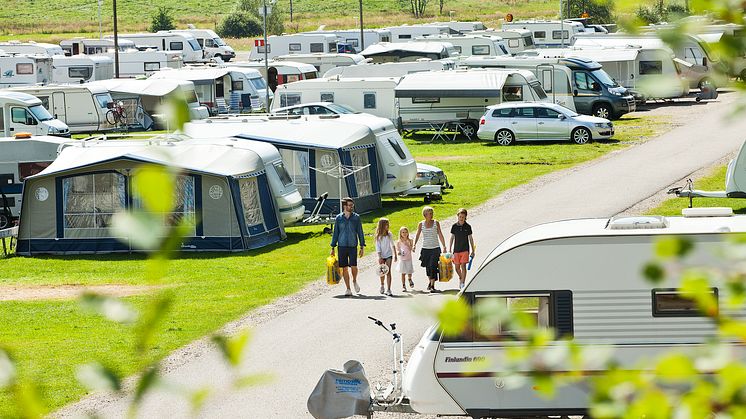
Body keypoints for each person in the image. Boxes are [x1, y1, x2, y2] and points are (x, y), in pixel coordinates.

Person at [330, 197, 366, 297]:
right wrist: (332, 247)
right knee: (344, 268)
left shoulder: (356, 218)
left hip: (352, 246)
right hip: (341, 246)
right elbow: (335, 233)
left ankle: (354, 280)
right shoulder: (339, 218)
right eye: (350, 205)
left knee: (353, 266)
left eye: (352, 205)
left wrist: (362, 246)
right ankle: (348, 289)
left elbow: (360, 232)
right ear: (345, 206)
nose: (351, 207)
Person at [413, 206, 446, 293]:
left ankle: (432, 285)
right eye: (429, 213)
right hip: (425, 249)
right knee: (428, 268)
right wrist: (414, 244)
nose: (431, 215)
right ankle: (430, 282)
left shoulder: (436, 223)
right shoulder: (421, 224)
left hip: (435, 248)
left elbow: (440, 234)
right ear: (424, 215)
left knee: (433, 266)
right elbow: (417, 234)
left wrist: (444, 246)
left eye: (432, 213)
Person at [449, 208, 475, 290]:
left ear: (465, 217)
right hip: (456, 250)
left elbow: (470, 238)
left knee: (463, 266)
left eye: (463, 217)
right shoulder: (454, 226)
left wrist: (473, 250)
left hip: (465, 250)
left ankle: (462, 283)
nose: (461, 218)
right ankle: (461, 277)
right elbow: (452, 238)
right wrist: (449, 249)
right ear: (457, 216)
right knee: (457, 267)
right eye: (460, 217)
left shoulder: (468, 226)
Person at [375, 218, 397, 296]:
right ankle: (382, 285)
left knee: (388, 271)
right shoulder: (378, 236)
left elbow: (393, 244)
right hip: (381, 255)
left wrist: (395, 254)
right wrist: (379, 257)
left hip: (389, 255)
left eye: (388, 224)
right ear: (382, 225)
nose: (388, 226)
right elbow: (378, 247)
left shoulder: (389, 234)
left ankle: (389, 289)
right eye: (386, 224)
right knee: (382, 272)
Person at [396, 226, 415, 292]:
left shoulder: (410, 240)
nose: (404, 233)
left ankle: (409, 279)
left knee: (409, 271)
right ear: (400, 233)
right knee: (403, 273)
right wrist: (398, 252)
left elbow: (411, 249)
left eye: (406, 232)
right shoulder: (399, 242)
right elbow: (398, 250)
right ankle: (403, 285)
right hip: (402, 259)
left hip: (409, 258)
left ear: (408, 233)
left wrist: (407, 244)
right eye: (403, 232)